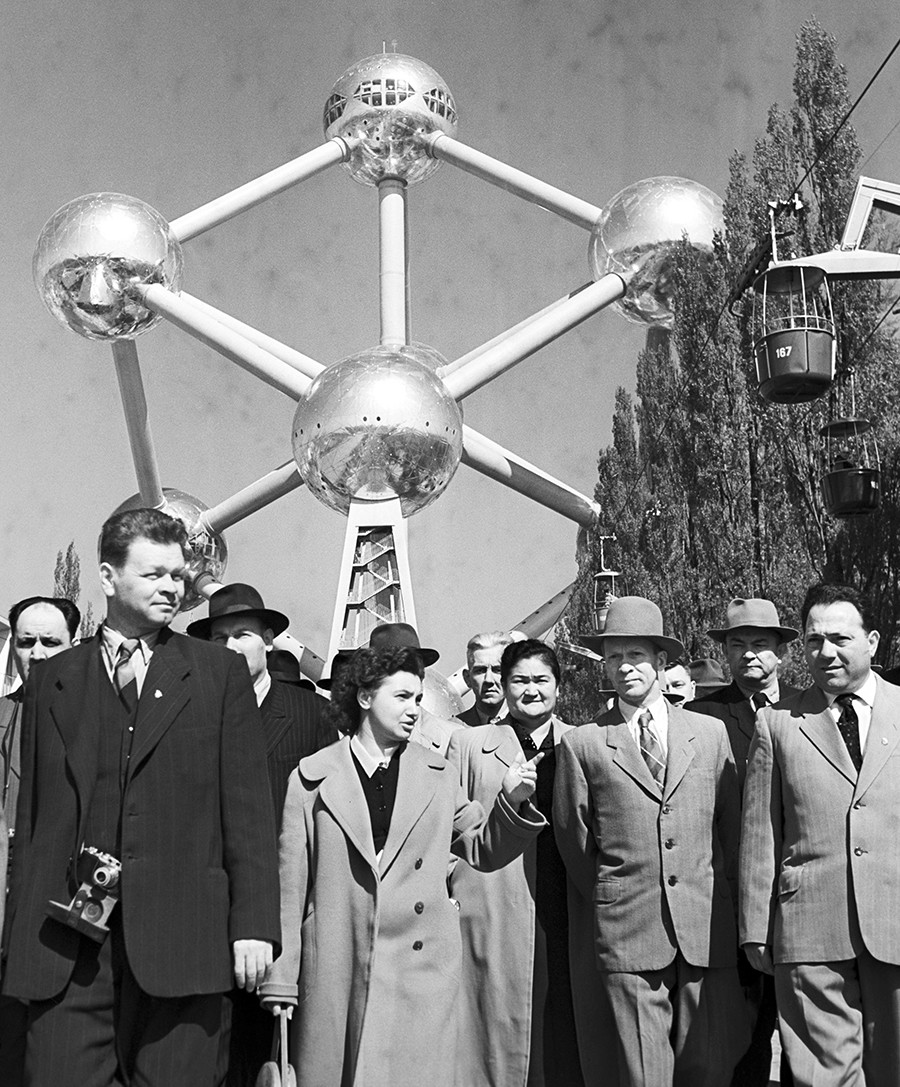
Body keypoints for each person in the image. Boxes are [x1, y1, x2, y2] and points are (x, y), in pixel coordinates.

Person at [1, 508, 280, 1087]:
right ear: (107, 578)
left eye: (178, 576)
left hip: (187, 940)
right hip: (66, 946)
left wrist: (253, 924)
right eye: (155, 574)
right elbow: (33, 821)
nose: (173, 588)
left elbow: (248, 811)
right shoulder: (53, 678)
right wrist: (19, 941)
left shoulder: (217, 673)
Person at [258, 644, 546, 1087]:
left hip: (421, 970)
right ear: (365, 697)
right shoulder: (311, 777)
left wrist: (511, 800)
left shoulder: (439, 772)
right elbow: (290, 886)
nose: (415, 709)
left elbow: (482, 847)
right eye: (402, 697)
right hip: (337, 965)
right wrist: (281, 980)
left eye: (417, 698)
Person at [554, 596, 748, 1086]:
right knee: (644, 1072)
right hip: (627, 928)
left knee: (708, 1066)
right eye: (614, 657)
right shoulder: (583, 743)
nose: (624, 668)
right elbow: (575, 840)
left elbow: (730, 829)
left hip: (705, 928)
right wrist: (614, 891)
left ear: (663, 662)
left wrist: (716, 894)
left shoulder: (710, 734)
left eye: (636, 656)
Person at [741, 583, 900, 1084]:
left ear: (872, 641)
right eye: (813, 640)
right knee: (825, 1077)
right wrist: (754, 927)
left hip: (895, 921)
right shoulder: (777, 723)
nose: (825, 651)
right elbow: (760, 831)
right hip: (809, 929)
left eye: (840, 638)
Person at [188, 583, 335, 1086]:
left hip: (280, 909)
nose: (230, 646)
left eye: (243, 634)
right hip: (202, 907)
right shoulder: (187, 711)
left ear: (269, 640)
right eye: (220, 636)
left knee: (270, 1054)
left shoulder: (312, 715)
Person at [448, 639, 605, 1086]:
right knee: (503, 1030)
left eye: (541, 680)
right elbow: (451, 829)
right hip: (496, 906)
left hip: (568, 901)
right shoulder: (468, 745)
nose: (530, 690)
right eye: (520, 680)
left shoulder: (584, 741)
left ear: (558, 686)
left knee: (567, 1022)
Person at [690, 598, 801, 1087]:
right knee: (745, 1040)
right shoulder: (701, 719)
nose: (749, 655)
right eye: (738, 645)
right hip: (736, 903)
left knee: (811, 1037)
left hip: (805, 897)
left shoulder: (812, 708)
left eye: (760, 644)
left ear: (780, 652)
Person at [0, 596, 79, 1086]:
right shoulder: (3, 716)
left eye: (51, 642)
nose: (38, 653)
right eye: (26, 642)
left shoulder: (103, 721)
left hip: (63, 915)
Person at [369, 622, 461, 755]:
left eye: (410, 667)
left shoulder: (455, 740)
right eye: (390, 669)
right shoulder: (348, 741)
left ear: (421, 676)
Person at [458, 630, 515, 726]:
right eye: (480, 670)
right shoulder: (451, 731)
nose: (489, 680)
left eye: (498, 670)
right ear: (467, 678)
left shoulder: (536, 728)